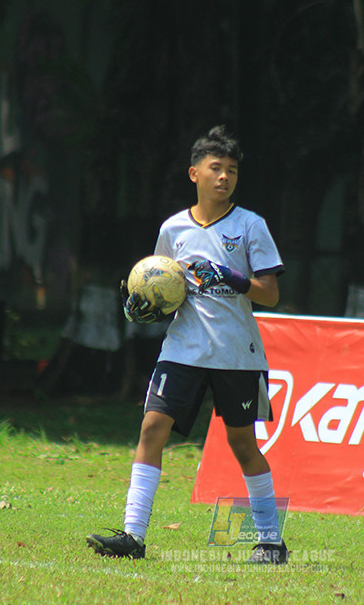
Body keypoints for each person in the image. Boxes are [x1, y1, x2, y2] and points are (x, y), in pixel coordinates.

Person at [86, 125, 289, 564]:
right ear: (194, 173)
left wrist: (234, 278)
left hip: (236, 353)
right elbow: (165, 285)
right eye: (216, 168)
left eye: (232, 170)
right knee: (151, 429)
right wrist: (146, 306)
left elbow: (270, 294)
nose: (224, 177)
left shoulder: (250, 226)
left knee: (243, 445)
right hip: (182, 349)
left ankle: (271, 541)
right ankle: (133, 536)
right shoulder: (173, 228)